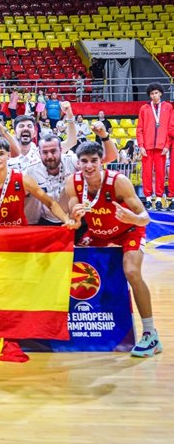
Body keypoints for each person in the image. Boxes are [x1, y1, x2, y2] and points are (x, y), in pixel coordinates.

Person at [66, 141, 161, 357]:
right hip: (98, 234)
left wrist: (133, 218)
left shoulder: (119, 182)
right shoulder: (72, 182)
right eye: (84, 161)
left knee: (132, 272)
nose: (89, 166)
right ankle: (86, 327)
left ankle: (150, 334)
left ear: (102, 162)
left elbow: (145, 218)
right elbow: (74, 213)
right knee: (73, 266)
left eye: (93, 161)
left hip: (128, 232)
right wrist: (75, 216)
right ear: (78, 163)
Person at [136, 82, 172, 211]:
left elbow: (170, 128)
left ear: (161, 93)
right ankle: (147, 199)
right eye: (152, 93)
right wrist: (141, 146)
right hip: (147, 146)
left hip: (161, 147)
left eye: (156, 93)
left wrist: (167, 145)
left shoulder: (168, 107)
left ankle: (158, 199)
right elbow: (139, 128)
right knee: (146, 173)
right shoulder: (144, 108)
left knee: (161, 174)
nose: (154, 95)